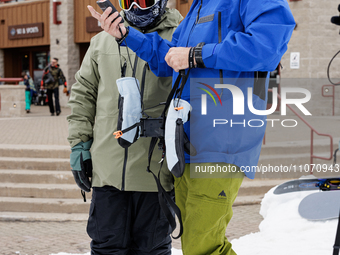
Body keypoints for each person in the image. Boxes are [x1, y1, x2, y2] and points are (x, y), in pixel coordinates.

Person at [88, 0, 296, 254]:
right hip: (186, 143)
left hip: (220, 142)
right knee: (194, 245)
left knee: (204, 247)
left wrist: (196, 55)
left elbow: (267, 46)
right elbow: (169, 60)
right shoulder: (198, 8)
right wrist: (127, 35)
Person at [67, 1, 182, 254]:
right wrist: (79, 144)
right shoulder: (101, 41)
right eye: (127, 0)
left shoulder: (181, 36)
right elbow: (83, 94)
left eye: (143, 1)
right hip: (108, 170)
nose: (134, 7)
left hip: (156, 174)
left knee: (152, 249)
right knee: (107, 248)